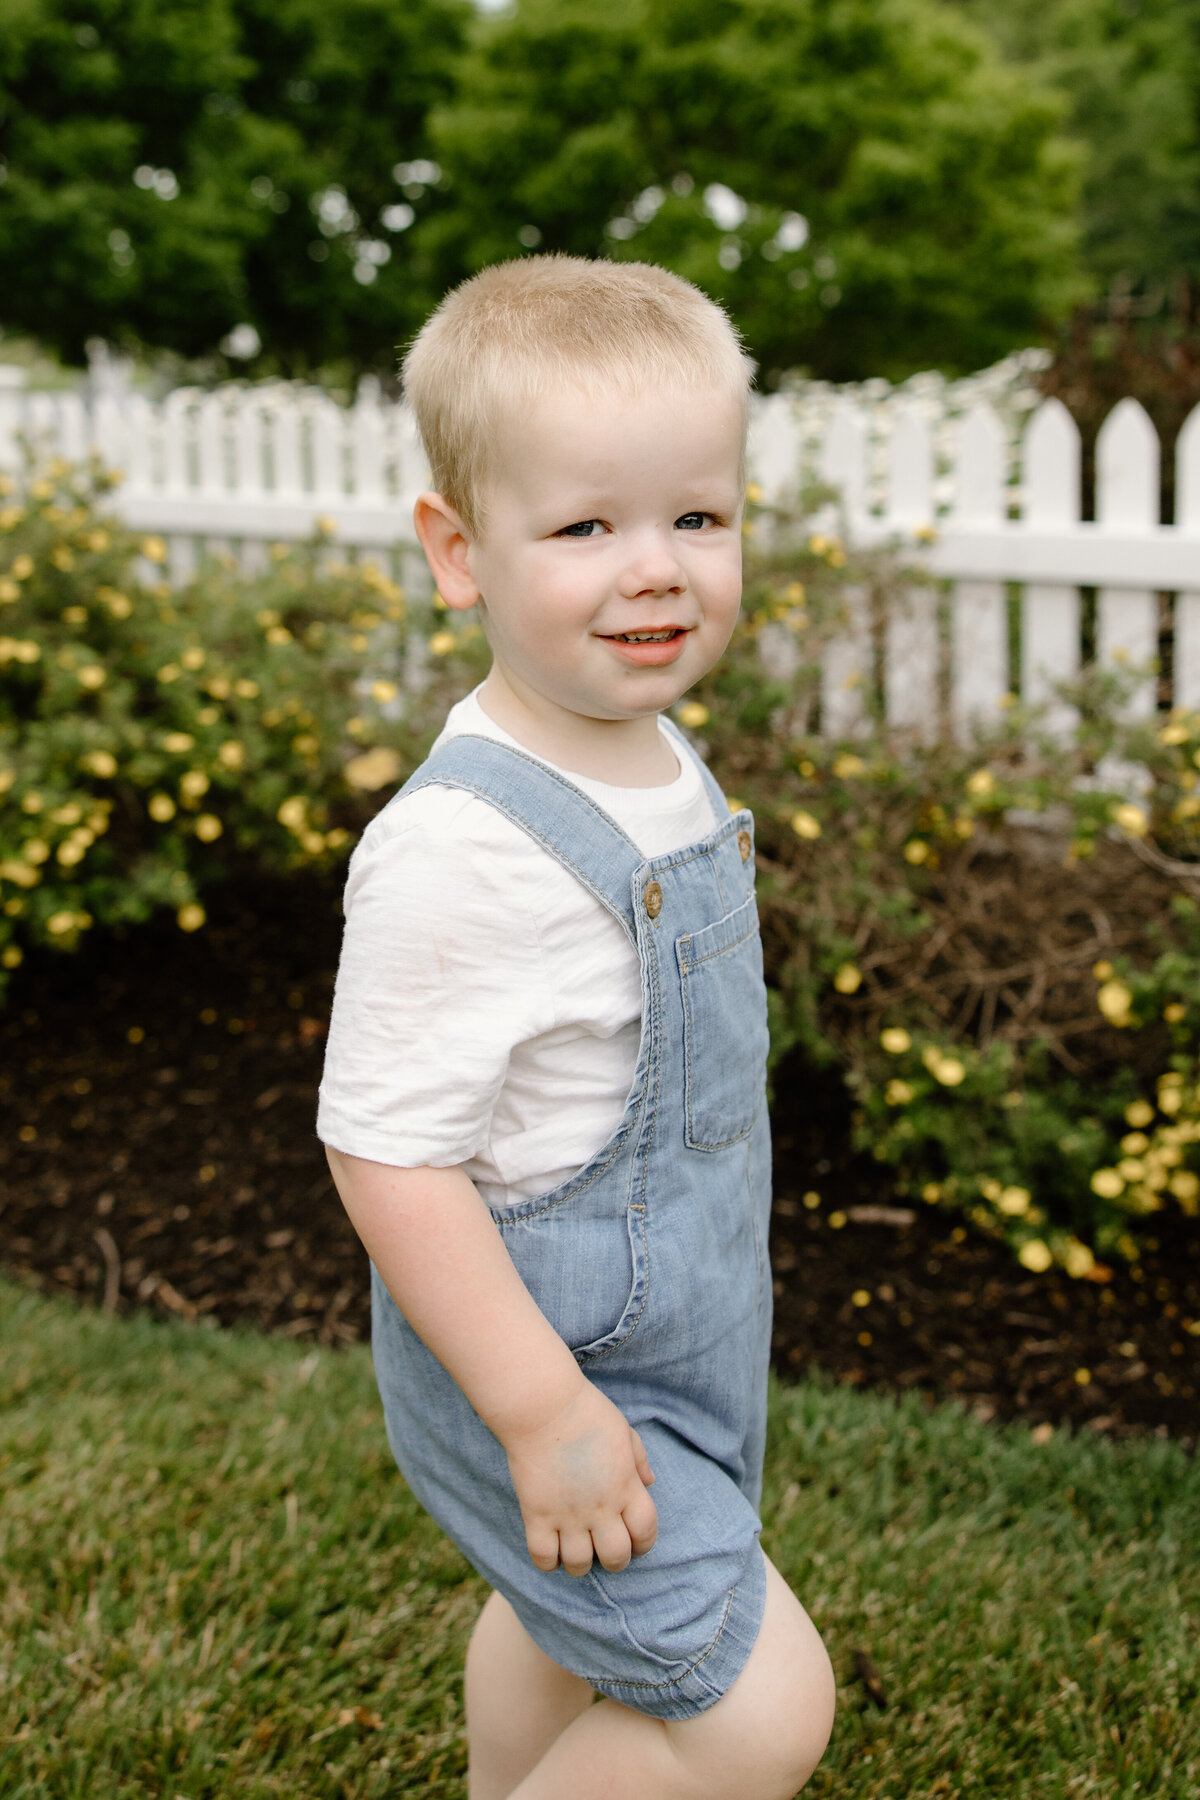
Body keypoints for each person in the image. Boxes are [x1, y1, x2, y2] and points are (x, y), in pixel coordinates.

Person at [318, 254, 835, 1800]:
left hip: (675, 1339)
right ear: (459, 553)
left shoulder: (647, 745)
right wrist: (545, 1417)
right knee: (754, 1707)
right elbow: (387, 1155)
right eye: (588, 526)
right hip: (539, 1362)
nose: (658, 567)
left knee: (562, 1622)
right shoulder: (464, 848)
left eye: (697, 515)